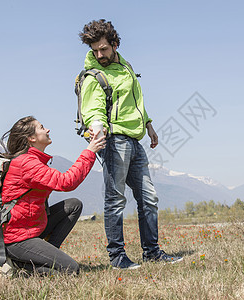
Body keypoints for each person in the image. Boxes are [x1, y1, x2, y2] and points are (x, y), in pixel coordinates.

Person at [78, 19, 182, 269]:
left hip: (135, 140)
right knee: (115, 200)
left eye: (103, 49)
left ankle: (152, 252)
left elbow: (136, 101)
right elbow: (93, 110)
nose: (99, 54)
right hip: (114, 141)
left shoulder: (125, 67)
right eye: (95, 50)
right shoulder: (93, 76)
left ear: (114, 44)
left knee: (149, 198)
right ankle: (117, 257)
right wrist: (97, 129)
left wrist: (149, 125)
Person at [0, 116, 106, 276]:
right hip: (16, 239)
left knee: (73, 205)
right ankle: (20, 267)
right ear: (31, 138)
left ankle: (42, 257)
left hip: (31, 229)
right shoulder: (27, 164)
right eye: (41, 127)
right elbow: (66, 182)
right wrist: (90, 151)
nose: (47, 130)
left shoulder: (33, 160)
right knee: (71, 270)